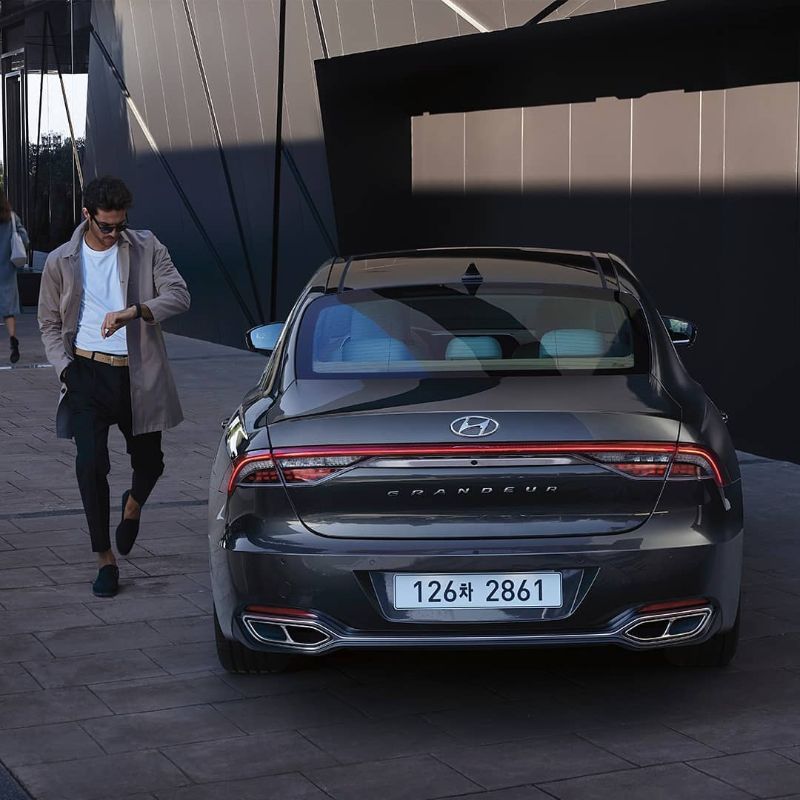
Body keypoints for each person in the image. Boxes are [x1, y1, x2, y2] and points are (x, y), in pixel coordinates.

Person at [38, 176, 190, 597]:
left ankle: (133, 504)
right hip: (86, 375)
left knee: (151, 463)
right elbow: (48, 322)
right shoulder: (61, 260)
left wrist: (135, 311)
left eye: (120, 224)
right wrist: (65, 370)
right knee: (90, 465)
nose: (114, 233)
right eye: (106, 225)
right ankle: (105, 559)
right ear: (87, 215)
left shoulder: (146, 246)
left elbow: (180, 295)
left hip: (138, 374)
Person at [0, 189, 30, 363]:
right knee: (8, 310)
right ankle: (13, 340)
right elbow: (25, 239)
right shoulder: (11, 217)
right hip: (7, 268)